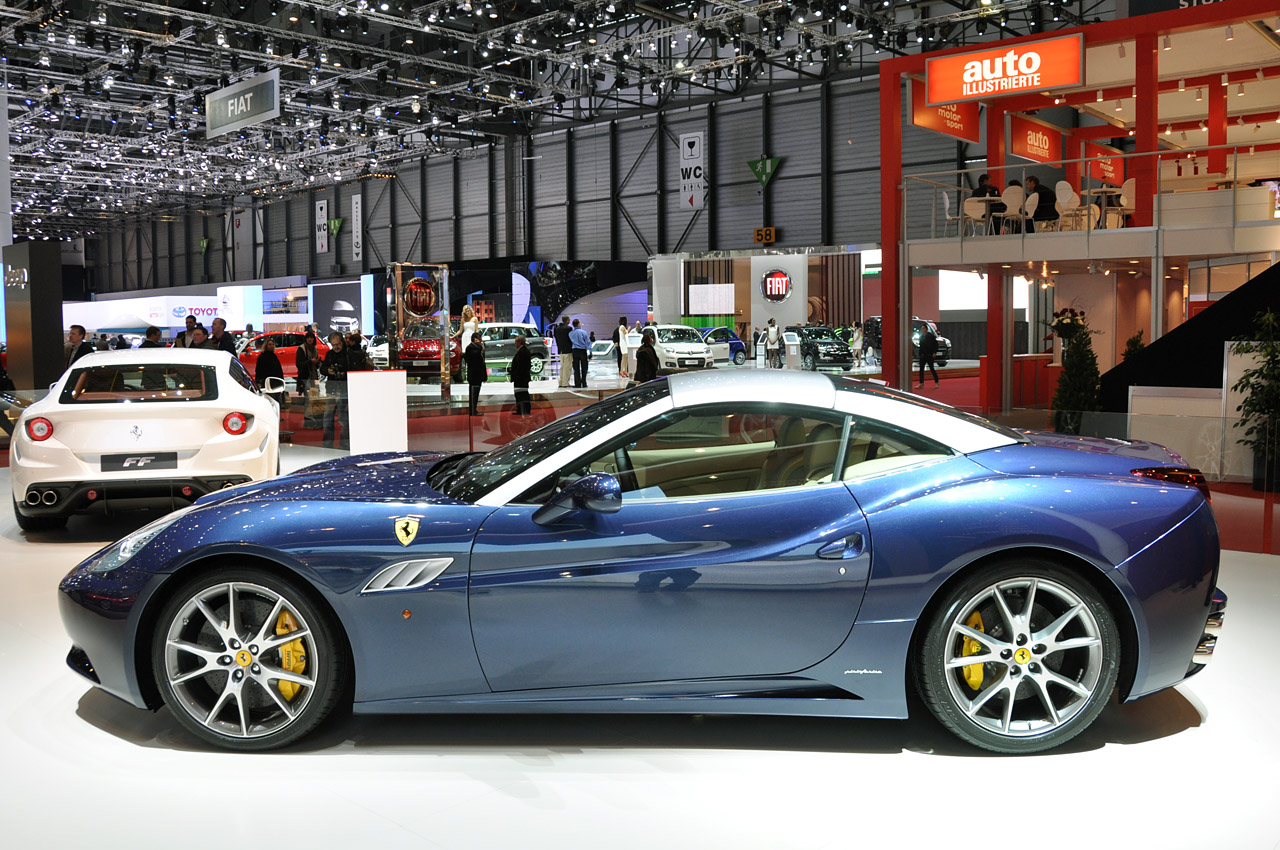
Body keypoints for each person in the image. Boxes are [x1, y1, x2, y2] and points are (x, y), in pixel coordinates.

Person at [321, 332, 351, 449]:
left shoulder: (348, 354)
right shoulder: (329, 354)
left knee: (344, 418)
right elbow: (322, 369)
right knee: (328, 417)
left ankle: (344, 445)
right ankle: (327, 444)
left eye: (338, 344)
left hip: (344, 389)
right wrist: (328, 371)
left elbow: (354, 369)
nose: (336, 347)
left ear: (342, 342)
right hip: (331, 389)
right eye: (333, 345)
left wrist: (344, 373)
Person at [256, 337, 286, 409]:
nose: (271, 346)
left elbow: (279, 369)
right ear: (266, 346)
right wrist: (259, 381)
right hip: (267, 381)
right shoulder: (262, 357)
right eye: (269, 344)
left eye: (272, 344)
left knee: (276, 399)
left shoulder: (274, 356)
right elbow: (258, 370)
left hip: (275, 381)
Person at [464, 331, 487, 416]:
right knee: (473, 394)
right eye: (479, 339)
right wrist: (480, 347)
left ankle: (474, 409)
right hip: (474, 374)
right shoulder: (470, 348)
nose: (481, 341)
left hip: (479, 374)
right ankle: (472, 410)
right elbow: (474, 357)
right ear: (475, 339)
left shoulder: (478, 348)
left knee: (476, 394)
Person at [509, 334, 532, 416]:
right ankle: (521, 409)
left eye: (516, 342)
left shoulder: (523, 352)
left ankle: (524, 409)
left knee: (522, 394)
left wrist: (516, 374)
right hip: (520, 377)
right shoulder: (523, 351)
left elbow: (522, 366)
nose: (515, 343)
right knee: (520, 394)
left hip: (521, 377)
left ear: (519, 342)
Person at [569, 318, 590, 388]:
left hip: (575, 351)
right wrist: (590, 351)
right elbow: (588, 342)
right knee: (584, 367)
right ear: (578, 324)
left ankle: (577, 383)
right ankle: (584, 382)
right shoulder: (584, 332)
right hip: (582, 351)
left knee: (576, 368)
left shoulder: (570, 333)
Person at [554, 315, 573, 388]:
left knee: (562, 367)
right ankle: (565, 383)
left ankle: (561, 382)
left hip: (560, 350)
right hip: (567, 350)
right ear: (567, 320)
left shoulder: (557, 329)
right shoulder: (569, 328)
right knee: (567, 367)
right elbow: (570, 339)